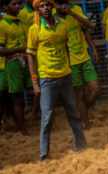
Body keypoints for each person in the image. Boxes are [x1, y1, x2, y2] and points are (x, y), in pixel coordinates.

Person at [27, 0, 86, 161]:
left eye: (47, 5)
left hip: (66, 75)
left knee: (73, 112)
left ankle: (81, 147)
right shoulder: (35, 29)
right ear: (37, 10)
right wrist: (34, 81)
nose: (45, 8)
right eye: (42, 6)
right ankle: (44, 155)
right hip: (47, 78)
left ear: (52, 7)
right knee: (47, 117)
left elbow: (66, 48)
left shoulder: (64, 25)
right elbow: (30, 56)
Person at [54, 0, 101, 130]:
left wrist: (94, 48)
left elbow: (89, 28)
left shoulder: (76, 10)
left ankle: (86, 109)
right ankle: (86, 123)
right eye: (59, 3)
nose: (62, 5)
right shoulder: (52, 18)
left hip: (85, 58)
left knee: (96, 90)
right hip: (70, 63)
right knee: (78, 94)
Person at [0, 0, 31, 136]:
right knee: (17, 98)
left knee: (37, 91)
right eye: (13, 4)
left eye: (18, 3)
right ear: (5, 7)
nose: (17, 6)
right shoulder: (2, 25)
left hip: (27, 61)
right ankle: (23, 130)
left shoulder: (22, 21)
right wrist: (19, 49)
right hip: (12, 63)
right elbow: (0, 50)